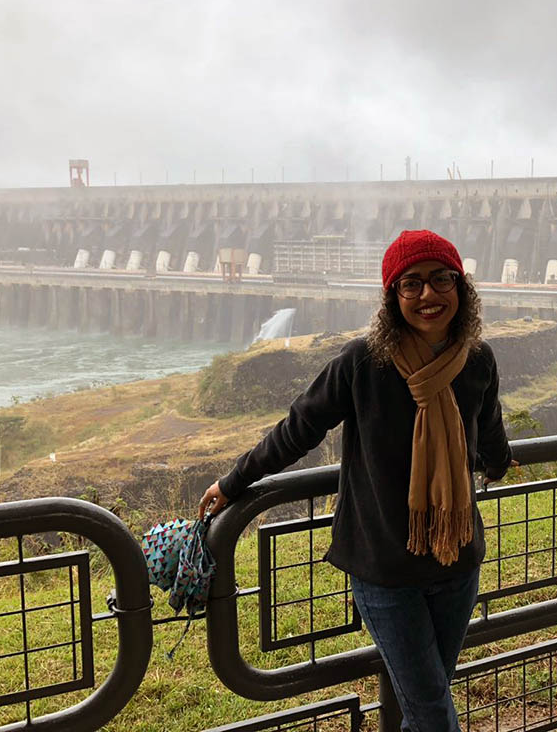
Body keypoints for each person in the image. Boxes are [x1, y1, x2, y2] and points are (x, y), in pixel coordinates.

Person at [199, 229, 514, 731]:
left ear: (462, 288)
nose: (428, 295)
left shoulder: (477, 359)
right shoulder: (362, 362)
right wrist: (234, 482)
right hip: (385, 569)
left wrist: (498, 462)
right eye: (411, 284)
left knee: (426, 702)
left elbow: (488, 425)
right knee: (432, 711)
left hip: (457, 563)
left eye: (441, 279)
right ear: (393, 297)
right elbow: (299, 428)